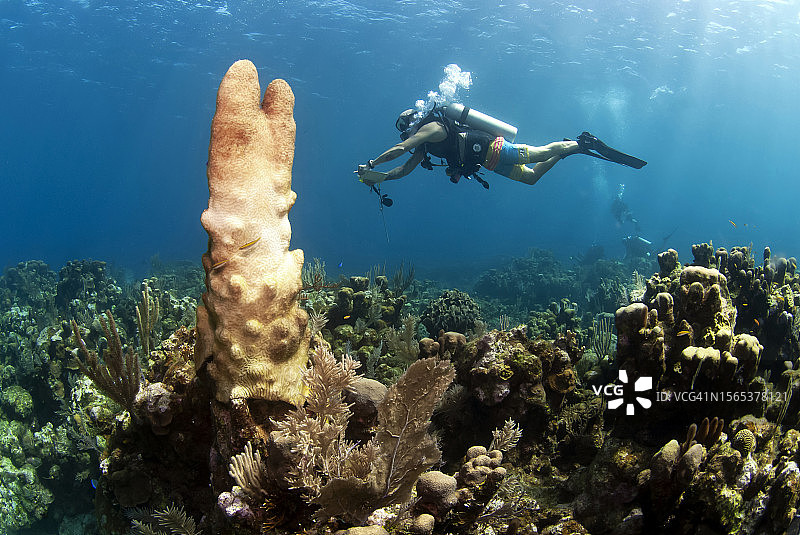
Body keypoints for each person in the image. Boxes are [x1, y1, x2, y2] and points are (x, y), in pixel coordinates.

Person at [357, 106, 646, 188]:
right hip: (488, 163)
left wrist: (371, 163)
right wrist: (379, 178)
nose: (404, 132)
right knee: (532, 178)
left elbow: (400, 150)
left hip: (493, 148)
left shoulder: (431, 128)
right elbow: (403, 169)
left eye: (403, 126)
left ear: (412, 121)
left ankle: (580, 142)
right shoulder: (423, 146)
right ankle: (572, 147)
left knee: (541, 152)